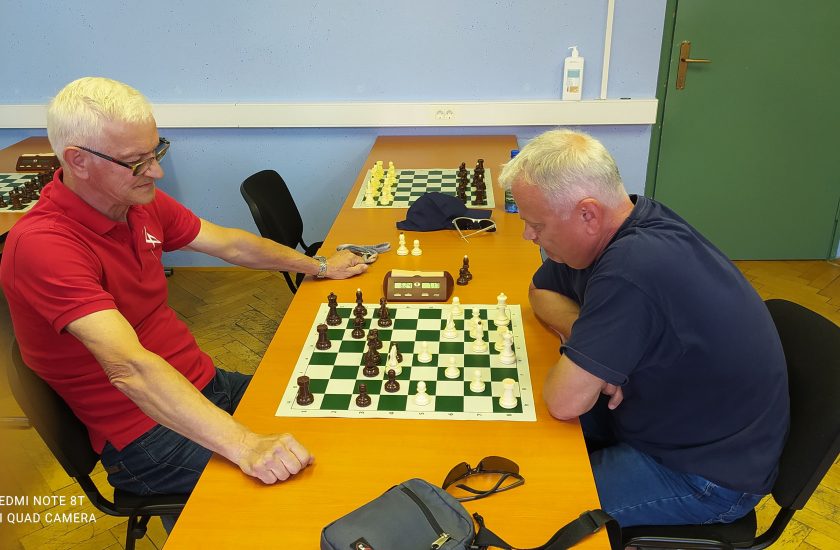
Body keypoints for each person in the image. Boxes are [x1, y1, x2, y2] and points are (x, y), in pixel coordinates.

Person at [0, 77, 368, 509]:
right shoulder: (43, 246)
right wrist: (245, 445)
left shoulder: (137, 202)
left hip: (206, 384)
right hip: (144, 436)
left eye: (156, 152)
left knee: (343, 423)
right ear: (78, 161)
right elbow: (130, 369)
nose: (156, 172)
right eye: (136, 162)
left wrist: (321, 266)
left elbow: (231, 244)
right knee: (314, 492)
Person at [498, 129, 789, 527]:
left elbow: (564, 401)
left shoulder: (633, 266)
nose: (527, 235)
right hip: (657, 420)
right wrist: (591, 340)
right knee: (515, 439)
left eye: (536, 224)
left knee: (534, 506)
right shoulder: (622, 222)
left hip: (705, 474)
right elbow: (540, 291)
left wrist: (590, 358)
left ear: (587, 214)